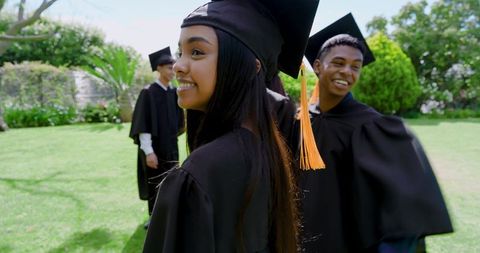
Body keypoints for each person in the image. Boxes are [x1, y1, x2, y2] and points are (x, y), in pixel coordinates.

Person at [142, 0, 319, 252]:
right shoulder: (268, 152)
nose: (178, 65)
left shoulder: (201, 171)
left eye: (197, 52)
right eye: (180, 52)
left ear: (251, 66)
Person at [298, 13, 453, 253]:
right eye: (338, 63)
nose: (347, 72)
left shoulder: (371, 126)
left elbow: (400, 207)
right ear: (317, 66)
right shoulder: (301, 118)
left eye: (355, 67)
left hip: (345, 242)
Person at [129, 47, 185, 228]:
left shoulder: (173, 92)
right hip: (154, 149)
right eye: (169, 67)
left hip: (171, 146)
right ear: (159, 68)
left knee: (171, 181)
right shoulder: (149, 93)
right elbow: (143, 125)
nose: (173, 71)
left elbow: (178, 123)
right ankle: (154, 217)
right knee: (155, 183)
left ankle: (169, 215)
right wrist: (148, 152)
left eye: (173, 67)